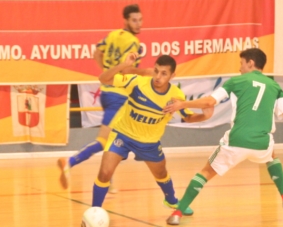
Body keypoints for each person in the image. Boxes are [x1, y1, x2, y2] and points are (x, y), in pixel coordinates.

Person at [163, 48, 283, 225]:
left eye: (241, 63)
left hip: (237, 141)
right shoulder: (275, 86)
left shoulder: (236, 81)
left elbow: (209, 102)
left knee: (205, 172)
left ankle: (177, 212)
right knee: (272, 157)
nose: (240, 68)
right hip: (262, 143)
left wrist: (182, 104)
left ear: (250, 63)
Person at [87, 52, 213, 217]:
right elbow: (103, 78)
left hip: (149, 142)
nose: (158, 77)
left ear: (172, 76)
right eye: (156, 71)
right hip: (122, 135)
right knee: (104, 173)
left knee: (161, 173)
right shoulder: (137, 82)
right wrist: (124, 65)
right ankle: (94, 211)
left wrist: (205, 116)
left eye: (164, 73)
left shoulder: (175, 96)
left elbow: (188, 117)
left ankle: (171, 200)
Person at [57, 4, 151, 193]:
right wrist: (145, 72)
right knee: (104, 140)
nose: (138, 23)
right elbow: (126, 69)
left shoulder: (112, 35)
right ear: (125, 20)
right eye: (134, 20)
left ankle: (107, 179)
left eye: (140, 19)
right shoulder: (133, 42)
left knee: (117, 139)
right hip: (118, 96)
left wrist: (107, 73)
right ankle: (70, 161)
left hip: (108, 92)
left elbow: (97, 53)